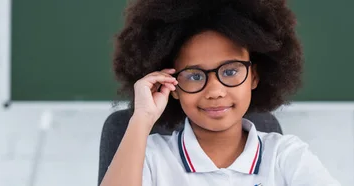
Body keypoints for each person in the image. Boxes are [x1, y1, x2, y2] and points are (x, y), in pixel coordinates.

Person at [101, 0, 341, 185]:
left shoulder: (286, 156)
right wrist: (142, 117)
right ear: (172, 86)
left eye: (230, 72)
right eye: (195, 76)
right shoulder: (151, 157)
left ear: (254, 76)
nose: (215, 91)